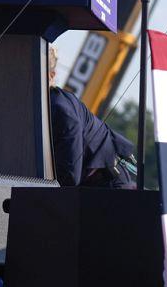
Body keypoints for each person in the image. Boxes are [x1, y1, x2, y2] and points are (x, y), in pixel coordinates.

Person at [48, 46, 135, 188]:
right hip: (88, 184)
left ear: (51, 76)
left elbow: (69, 176)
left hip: (107, 184)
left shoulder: (62, 111)